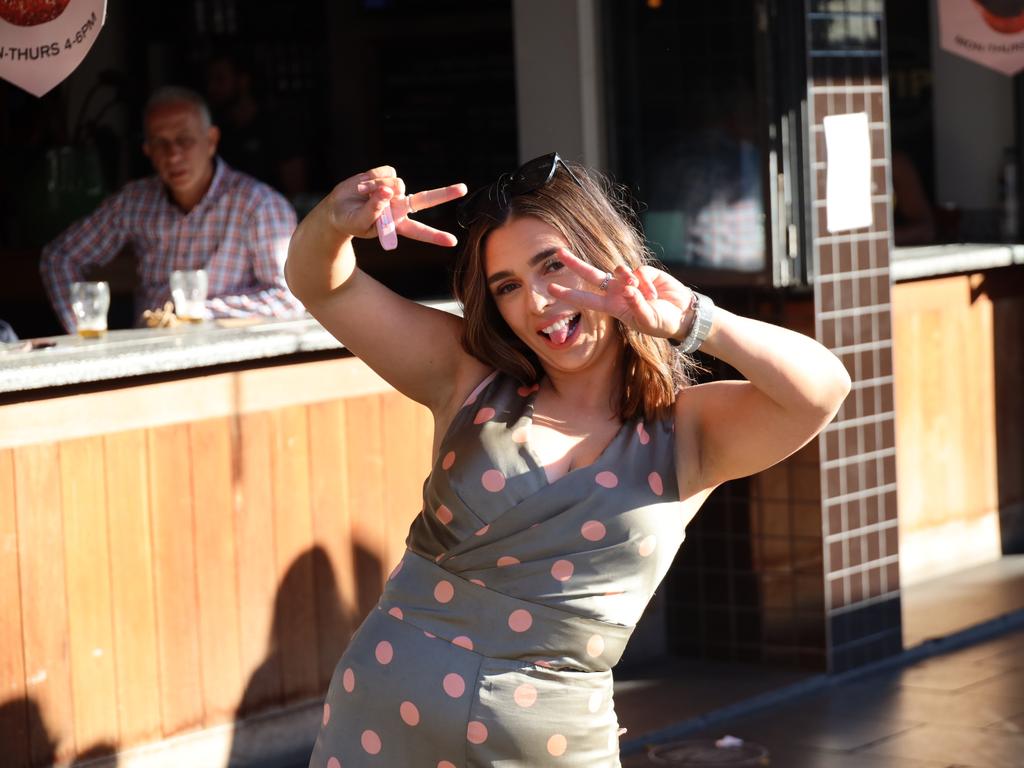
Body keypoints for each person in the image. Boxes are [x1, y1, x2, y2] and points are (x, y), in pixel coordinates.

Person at [285, 153, 851, 766]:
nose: (537, 302)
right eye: (507, 287)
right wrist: (335, 223)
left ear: (608, 255)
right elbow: (323, 283)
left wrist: (693, 318)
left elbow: (821, 389)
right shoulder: (469, 377)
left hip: (552, 740)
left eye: (553, 266)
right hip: (383, 715)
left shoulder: (685, 430)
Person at [40, 86, 304, 332]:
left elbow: (289, 299)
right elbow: (60, 257)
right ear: (147, 151)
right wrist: (81, 325)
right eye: (160, 143)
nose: (173, 154)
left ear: (211, 140)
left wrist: (194, 312)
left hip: (228, 356)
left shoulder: (259, 205)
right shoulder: (134, 202)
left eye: (185, 140)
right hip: (148, 352)